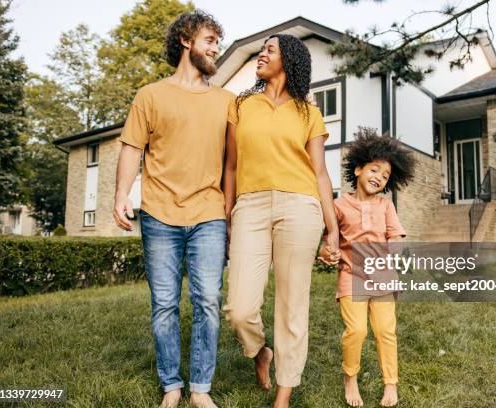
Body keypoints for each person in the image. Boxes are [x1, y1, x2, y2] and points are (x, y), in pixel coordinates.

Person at [113, 10, 233, 408]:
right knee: (164, 304)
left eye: (218, 41)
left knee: (208, 301)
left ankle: (200, 387)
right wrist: (120, 196)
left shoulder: (227, 101)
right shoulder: (151, 95)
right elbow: (133, 149)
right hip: (160, 213)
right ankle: (171, 385)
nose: (216, 48)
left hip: (209, 213)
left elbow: (235, 159)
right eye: (209, 40)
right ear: (185, 40)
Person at [222, 34, 340, 408]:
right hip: (250, 207)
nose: (261, 54)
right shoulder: (241, 106)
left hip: (300, 207)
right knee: (239, 309)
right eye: (262, 49)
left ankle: (284, 394)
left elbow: (320, 173)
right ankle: (260, 353)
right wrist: (228, 214)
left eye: (269, 50)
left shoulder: (308, 113)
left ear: (288, 60)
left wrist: (332, 228)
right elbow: (231, 165)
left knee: (292, 305)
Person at [318, 128, 415, 407]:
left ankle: (390, 384)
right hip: (352, 276)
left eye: (385, 176)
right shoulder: (338, 205)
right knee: (357, 331)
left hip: (383, 277)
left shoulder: (386, 206)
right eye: (374, 170)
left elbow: (395, 235)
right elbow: (329, 240)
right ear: (358, 169)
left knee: (386, 331)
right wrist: (328, 251)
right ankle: (351, 377)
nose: (379, 178)